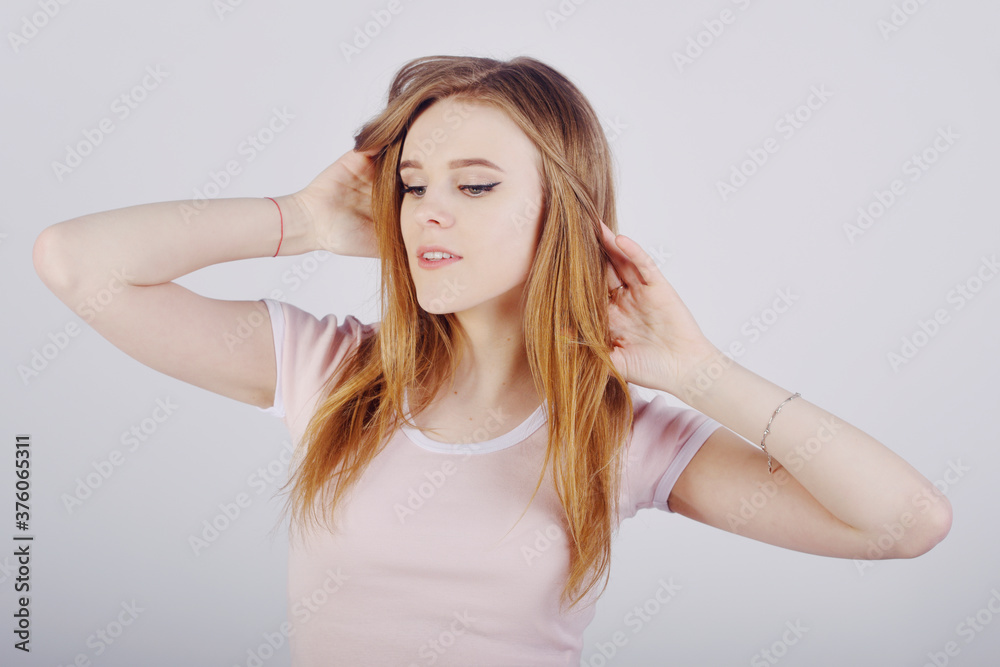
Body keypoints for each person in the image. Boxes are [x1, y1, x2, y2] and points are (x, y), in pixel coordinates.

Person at [32, 54, 952, 665]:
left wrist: (701, 371)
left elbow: (905, 521)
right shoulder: (329, 370)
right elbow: (74, 263)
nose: (429, 209)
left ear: (564, 210)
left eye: (474, 185)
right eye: (412, 184)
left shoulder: (617, 430)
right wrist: (301, 220)